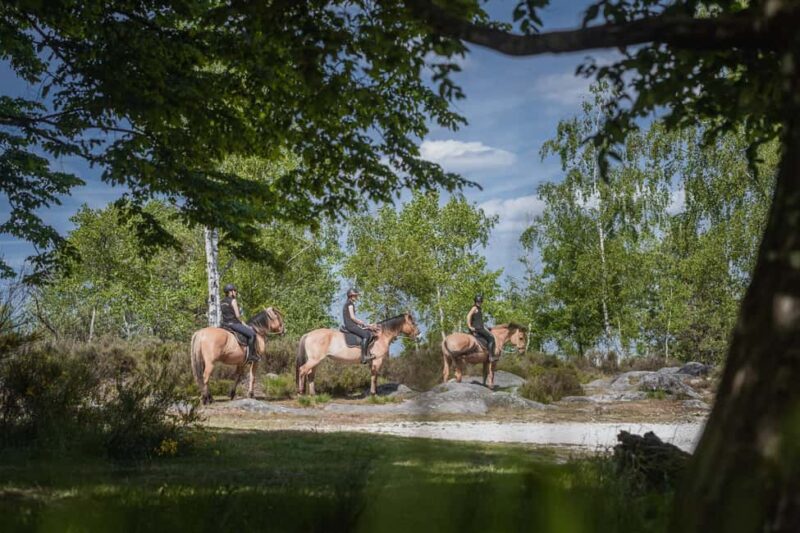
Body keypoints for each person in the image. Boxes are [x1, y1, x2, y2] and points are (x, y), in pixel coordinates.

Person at [220, 283, 258, 363]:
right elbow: (237, 316)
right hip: (233, 324)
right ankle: (251, 356)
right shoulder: (233, 301)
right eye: (235, 290)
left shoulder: (222, 302)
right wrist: (245, 325)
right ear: (231, 292)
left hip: (224, 325)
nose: (236, 292)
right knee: (252, 335)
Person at [342, 287, 377, 364]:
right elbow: (352, 317)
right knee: (367, 335)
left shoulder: (348, 303)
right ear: (351, 296)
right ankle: (364, 357)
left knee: (366, 331)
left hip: (351, 325)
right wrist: (362, 323)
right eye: (355, 296)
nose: (357, 297)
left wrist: (366, 326)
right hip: (351, 325)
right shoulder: (350, 304)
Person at [467, 294, 496, 362]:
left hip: (480, 327)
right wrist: (469, 326)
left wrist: (486, 328)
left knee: (488, 336)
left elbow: (479, 321)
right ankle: (491, 356)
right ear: (476, 301)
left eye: (480, 302)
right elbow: (468, 316)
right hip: (478, 328)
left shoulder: (478, 308)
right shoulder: (475, 308)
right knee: (491, 338)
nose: (479, 303)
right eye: (478, 301)